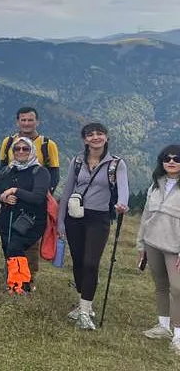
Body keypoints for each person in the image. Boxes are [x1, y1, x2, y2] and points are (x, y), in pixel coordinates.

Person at [57, 122, 130, 330]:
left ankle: (85, 311)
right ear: (85, 139)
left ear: (106, 137)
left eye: (99, 134)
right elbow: (67, 191)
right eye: (90, 135)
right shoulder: (77, 161)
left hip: (99, 218)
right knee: (79, 261)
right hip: (75, 216)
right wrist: (61, 221)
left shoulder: (116, 164)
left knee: (91, 262)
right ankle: (83, 305)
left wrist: (122, 204)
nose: (95, 137)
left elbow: (123, 187)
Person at [0, 106, 61, 290]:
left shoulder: (48, 144)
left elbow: (54, 174)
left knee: (30, 243)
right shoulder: (8, 142)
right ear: (17, 121)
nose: (26, 123)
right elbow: (2, 168)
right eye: (23, 120)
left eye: (30, 120)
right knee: (9, 239)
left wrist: (42, 198)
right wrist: (1, 196)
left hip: (34, 202)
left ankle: (28, 280)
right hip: (10, 201)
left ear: (37, 121)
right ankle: (13, 277)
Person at [0, 137, 51, 295]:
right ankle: (14, 283)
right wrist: (3, 197)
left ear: (32, 151)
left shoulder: (40, 172)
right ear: (13, 152)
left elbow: (37, 197)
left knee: (15, 247)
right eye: (17, 149)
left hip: (30, 221)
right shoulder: (8, 170)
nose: (21, 151)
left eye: (26, 149)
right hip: (7, 219)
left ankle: (20, 286)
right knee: (8, 250)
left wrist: (15, 191)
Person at [136, 144, 180, 354]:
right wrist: (141, 244)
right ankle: (163, 326)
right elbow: (146, 215)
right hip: (152, 242)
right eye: (167, 158)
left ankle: (178, 334)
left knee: (178, 289)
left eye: (176, 158)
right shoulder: (156, 185)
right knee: (161, 285)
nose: (171, 161)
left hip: (175, 246)